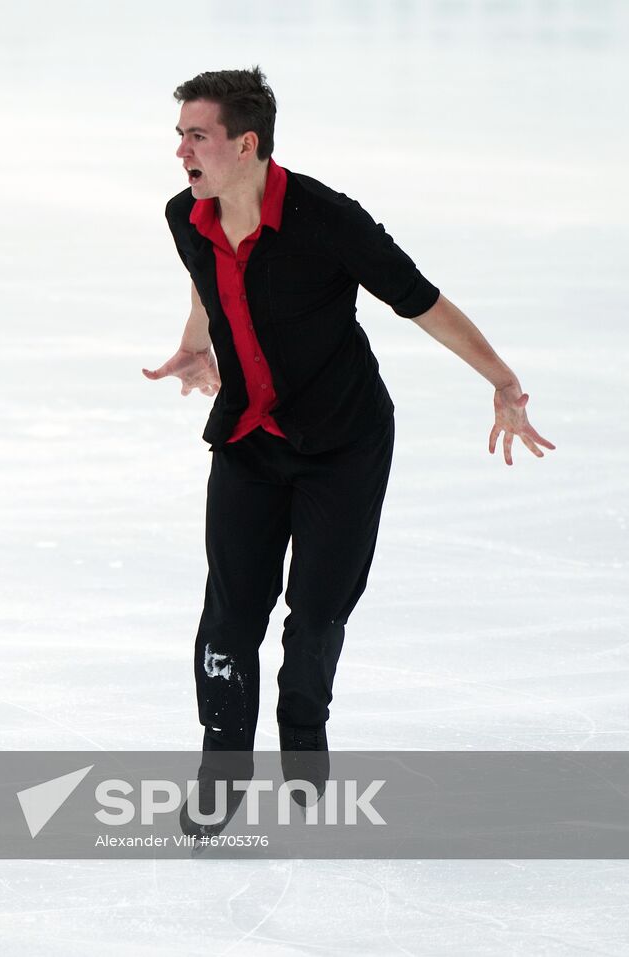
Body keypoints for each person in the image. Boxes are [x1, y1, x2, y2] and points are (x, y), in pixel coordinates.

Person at [141, 68, 553, 832]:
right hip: (249, 439)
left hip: (343, 443)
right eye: (180, 136)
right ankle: (222, 766)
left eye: (196, 136)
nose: (181, 152)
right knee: (230, 613)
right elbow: (208, 277)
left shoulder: (326, 218)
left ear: (246, 144)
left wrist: (502, 380)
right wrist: (197, 343)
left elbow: (419, 299)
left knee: (317, 612)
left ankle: (303, 728)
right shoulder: (185, 215)